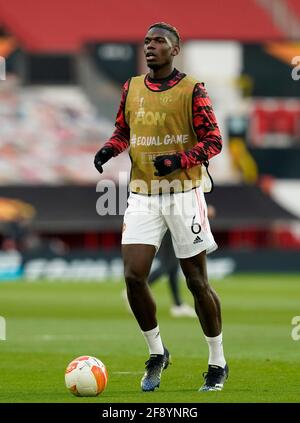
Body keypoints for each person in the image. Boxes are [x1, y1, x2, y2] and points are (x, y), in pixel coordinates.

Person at [94, 22, 228, 392]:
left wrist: (179, 159)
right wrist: (110, 148)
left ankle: (217, 361)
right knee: (134, 276)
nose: (150, 47)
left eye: (159, 41)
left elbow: (214, 140)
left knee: (197, 281)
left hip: (184, 193)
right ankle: (157, 352)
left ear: (175, 49)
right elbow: (124, 131)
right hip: (142, 194)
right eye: (147, 42)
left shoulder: (192, 89)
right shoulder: (132, 87)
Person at [149, 230, 196, 317]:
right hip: (170, 225)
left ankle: (177, 305)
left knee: (173, 266)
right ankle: (138, 288)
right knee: (168, 263)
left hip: (172, 226)